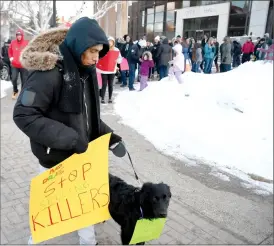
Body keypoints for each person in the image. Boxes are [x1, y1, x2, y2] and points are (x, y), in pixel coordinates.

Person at [13, 17, 123, 245]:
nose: (96, 57)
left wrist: (110, 137)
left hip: (80, 159)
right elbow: (24, 115)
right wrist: (71, 139)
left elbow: (87, 118)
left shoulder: (86, 72)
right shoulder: (48, 73)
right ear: (78, 45)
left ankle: (88, 242)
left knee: (84, 208)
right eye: (92, 50)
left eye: (99, 51)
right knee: (48, 213)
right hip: (54, 159)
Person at [100, 36, 122, 103]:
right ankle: (102, 98)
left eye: (111, 42)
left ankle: (110, 98)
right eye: (109, 41)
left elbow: (120, 59)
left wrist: (116, 60)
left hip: (112, 69)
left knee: (110, 84)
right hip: (104, 70)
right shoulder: (103, 49)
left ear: (113, 42)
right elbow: (100, 57)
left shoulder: (116, 50)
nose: (110, 43)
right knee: (104, 84)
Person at [8, 30, 29, 99]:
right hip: (14, 65)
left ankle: (22, 94)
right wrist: (11, 58)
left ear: (22, 36)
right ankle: (15, 91)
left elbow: (29, 52)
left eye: (20, 35)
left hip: (23, 65)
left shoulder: (26, 43)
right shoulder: (13, 43)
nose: (18, 36)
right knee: (13, 78)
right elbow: (10, 51)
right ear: (16, 36)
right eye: (17, 35)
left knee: (24, 80)